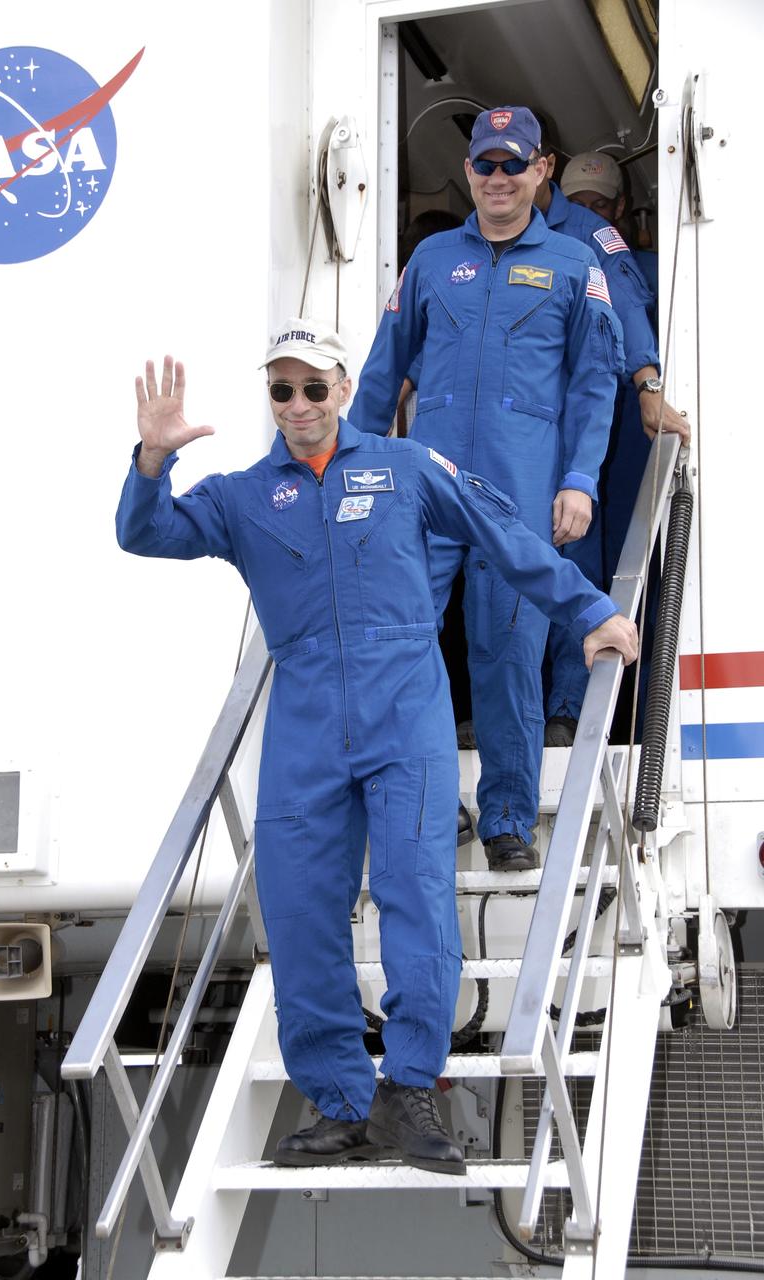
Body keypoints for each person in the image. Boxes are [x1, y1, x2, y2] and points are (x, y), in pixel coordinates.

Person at [116, 317, 638, 1174]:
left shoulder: (405, 467)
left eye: (313, 387)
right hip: (305, 722)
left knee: (415, 893)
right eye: (281, 390)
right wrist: (151, 461)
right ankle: (342, 1103)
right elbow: (146, 533)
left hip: (405, 708)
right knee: (299, 911)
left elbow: (505, 536)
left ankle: (410, 1089)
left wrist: (588, 613)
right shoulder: (244, 496)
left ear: (345, 391)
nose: (298, 404)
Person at [349, 106, 625, 872]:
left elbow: (595, 386)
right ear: (469, 172)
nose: (498, 179)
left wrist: (578, 482)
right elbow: (380, 376)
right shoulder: (432, 261)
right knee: (401, 649)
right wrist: (355, 476)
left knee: (507, 652)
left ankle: (507, 816)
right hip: (427, 495)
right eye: (485, 165)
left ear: (542, 170)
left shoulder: (576, 266)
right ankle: (427, 803)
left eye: (514, 164)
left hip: (521, 496)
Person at [535, 143, 690, 745]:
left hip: (596, 426)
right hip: (527, 430)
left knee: (585, 561)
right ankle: (531, 716)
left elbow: (628, 305)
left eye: (602, 201)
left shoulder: (596, 240)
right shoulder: (492, 240)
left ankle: (569, 711)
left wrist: (648, 382)